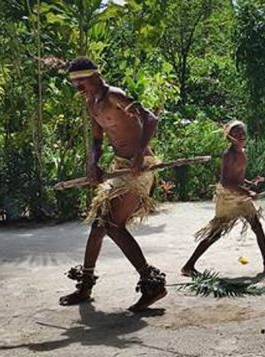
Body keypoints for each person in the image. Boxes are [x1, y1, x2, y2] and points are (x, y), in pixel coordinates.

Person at [59, 57, 166, 312]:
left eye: (81, 81)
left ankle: (152, 285)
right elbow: (97, 140)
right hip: (120, 167)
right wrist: (93, 164)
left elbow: (150, 119)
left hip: (140, 166)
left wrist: (140, 153)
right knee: (99, 225)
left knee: (112, 226)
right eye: (74, 83)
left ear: (95, 76)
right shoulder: (91, 103)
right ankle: (85, 286)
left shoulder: (114, 96)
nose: (78, 87)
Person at [181, 121, 265, 277]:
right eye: (237, 133)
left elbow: (237, 177)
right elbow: (227, 182)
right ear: (229, 137)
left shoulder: (242, 152)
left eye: (242, 132)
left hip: (239, 194)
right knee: (216, 233)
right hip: (228, 196)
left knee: (257, 227)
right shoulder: (229, 155)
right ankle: (188, 265)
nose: (241, 136)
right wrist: (247, 193)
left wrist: (251, 183)